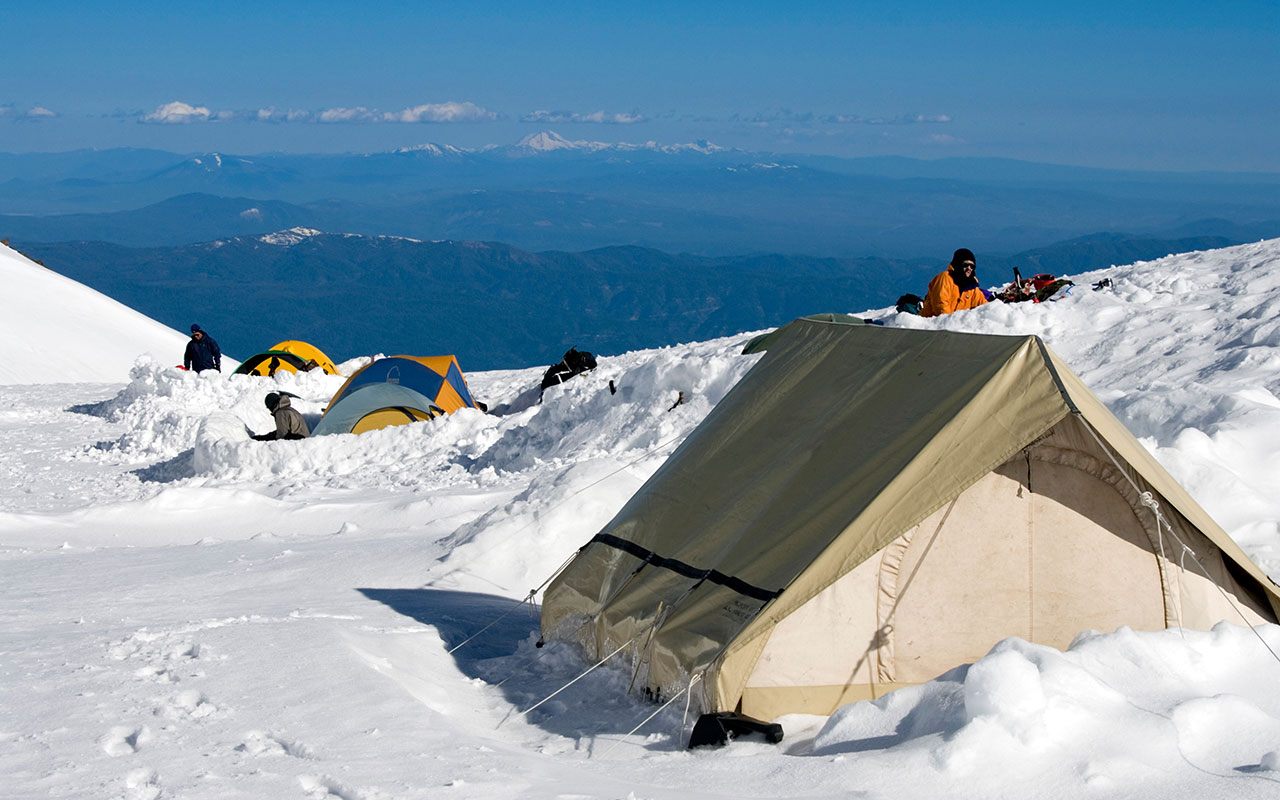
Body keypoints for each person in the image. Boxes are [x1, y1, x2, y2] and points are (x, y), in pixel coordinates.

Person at [920, 248, 988, 317]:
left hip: (956, 325)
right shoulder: (945, 278)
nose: (969, 268)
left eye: (972, 266)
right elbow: (940, 305)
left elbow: (984, 306)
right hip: (931, 324)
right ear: (958, 264)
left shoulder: (972, 286)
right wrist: (951, 323)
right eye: (965, 265)